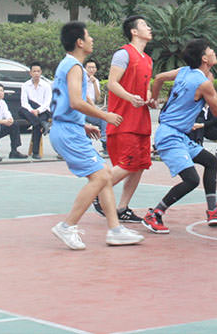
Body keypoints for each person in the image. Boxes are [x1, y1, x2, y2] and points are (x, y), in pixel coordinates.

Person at [50, 21, 144, 250]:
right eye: (88, 36)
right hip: (67, 132)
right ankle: (67, 226)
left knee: (104, 175)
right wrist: (105, 116)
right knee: (101, 177)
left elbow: (69, 102)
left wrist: (83, 124)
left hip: (69, 128)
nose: (92, 39)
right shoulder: (74, 66)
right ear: (79, 42)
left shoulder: (68, 65)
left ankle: (115, 230)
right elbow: (75, 101)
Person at [142, 38, 217, 234]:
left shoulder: (184, 71)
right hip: (170, 136)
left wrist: (154, 99)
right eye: (210, 49)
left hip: (177, 133)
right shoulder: (203, 83)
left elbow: (159, 78)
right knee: (191, 180)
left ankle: (213, 210)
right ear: (204, 58)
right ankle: (155, 213)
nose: (214, 51)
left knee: (210, 161)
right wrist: (209, 88)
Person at [93, 15, 154, 224]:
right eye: (145, 25)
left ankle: (122, 208)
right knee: (128, 163)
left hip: (141, 121)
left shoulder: (148, 59)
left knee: (140, 165)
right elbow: (112, 83)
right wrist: (130, 98)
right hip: (123, 120)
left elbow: (146, 88)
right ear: (134, 31)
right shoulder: (123, 54)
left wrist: (149, 98)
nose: (149, 28)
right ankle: (96, 191)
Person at [18, 62, 52, 159]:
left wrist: (38, 111)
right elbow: (24, 102)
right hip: (30, 111)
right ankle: (43, 124)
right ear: (30, 73)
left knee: (36, 124)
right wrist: (32, 111)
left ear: (41, 72)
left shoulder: (46, 85)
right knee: (21, 110)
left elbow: (47, 102)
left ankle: (35, 152)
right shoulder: (25, 85)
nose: (36, 73)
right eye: (34, 71)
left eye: (38, 71)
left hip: (43, 111)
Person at [0, 83, 27, 161]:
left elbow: (8, 114)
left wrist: (10, 120)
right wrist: (3, 121)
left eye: (1, 91)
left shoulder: (3, 103)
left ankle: (14, 151)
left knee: (14, 124)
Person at [84, 59, 107, 154]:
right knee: (103, 116)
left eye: (93, 67)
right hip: (82, 110)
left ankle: (105, 142)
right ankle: (103, 141)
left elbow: (98, 98)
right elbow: (85, 96)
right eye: (89, 67)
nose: (91, 69)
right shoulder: (81, 79)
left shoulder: (96, 81)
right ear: (85, 68)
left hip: (91, 110)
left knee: (105, 118)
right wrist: (94, 108)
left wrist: (94, 84)